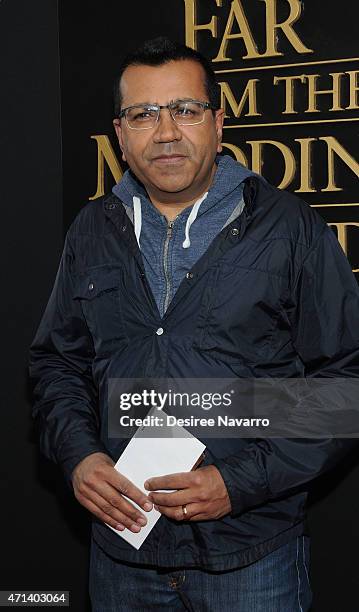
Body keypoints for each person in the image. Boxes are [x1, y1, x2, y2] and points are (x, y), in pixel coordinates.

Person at [29, 36, 359, 611]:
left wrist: (240, 482)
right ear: (119, 134)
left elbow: (345, 382)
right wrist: (79, 454)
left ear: (217, 122)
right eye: (143, 115)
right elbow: (59, 361)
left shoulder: (291, 230)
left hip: (252, 557)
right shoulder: (92, 229)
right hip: (121, 557)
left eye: (184, 110)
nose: (165, 132)